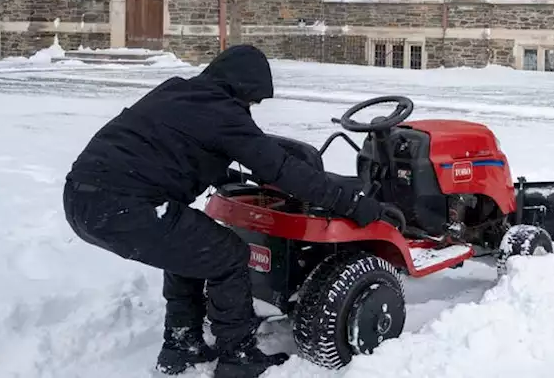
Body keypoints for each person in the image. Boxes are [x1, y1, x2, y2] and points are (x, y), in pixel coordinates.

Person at [62, 44, 390, 378]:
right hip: (122, 205)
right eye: (252, 100)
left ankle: (182, 344)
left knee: (189, 247)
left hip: (81, 198)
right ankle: (238, 357)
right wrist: (349, 203)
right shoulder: (224, 115)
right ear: (242, 88)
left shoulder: (180, 92)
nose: (250, 108)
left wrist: (230, 176)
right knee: (228, 254)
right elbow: (283, 170)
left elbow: (174, 145)